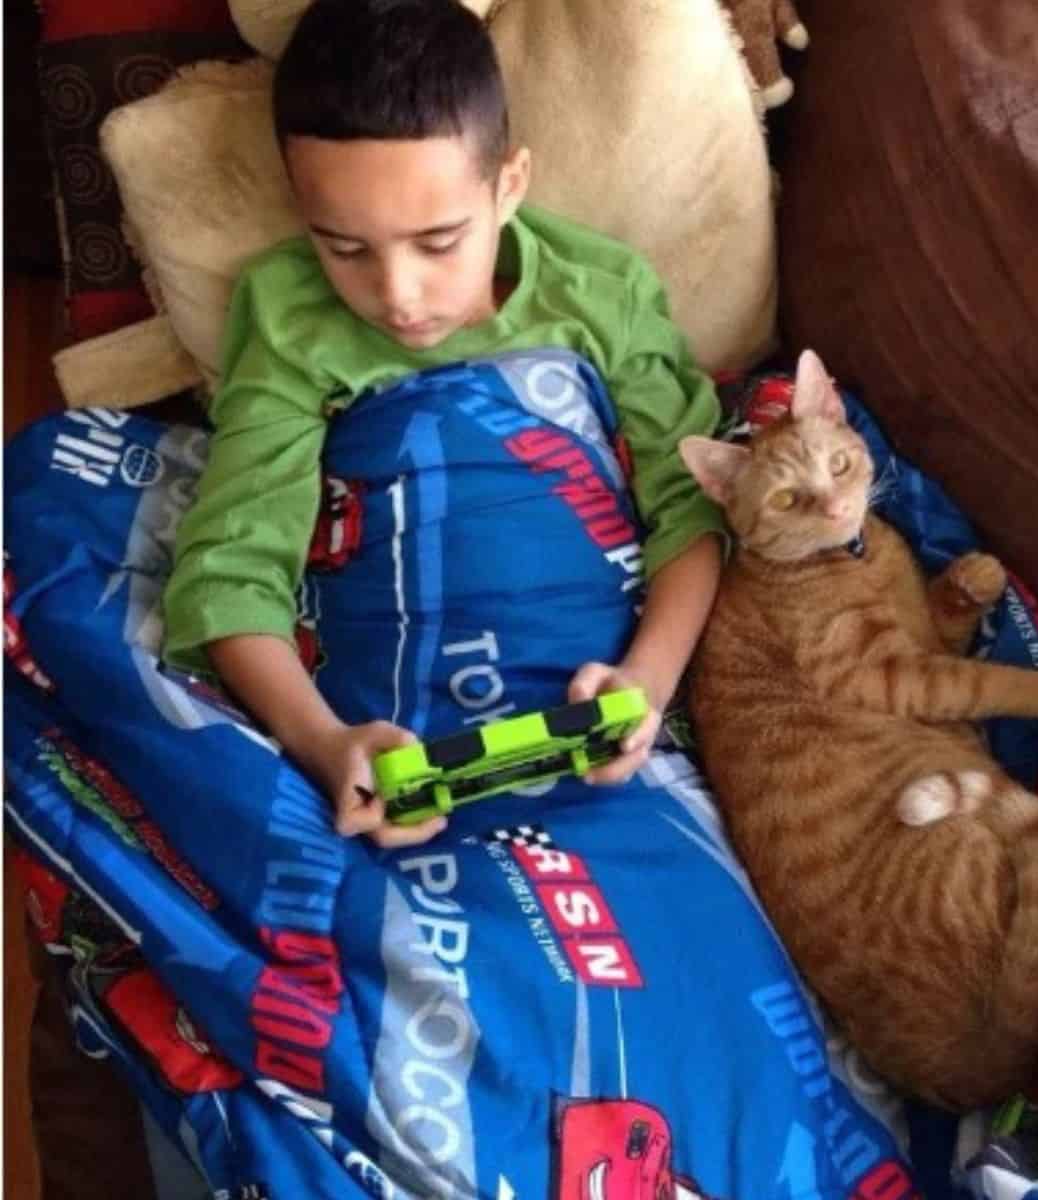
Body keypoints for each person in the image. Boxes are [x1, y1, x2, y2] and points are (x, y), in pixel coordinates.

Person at [162, 0, 724, 849]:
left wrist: (644, 682)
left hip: (597, 692)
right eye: (344, 248)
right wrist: (322, 743)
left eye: (439, 240)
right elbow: (235, 560)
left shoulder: (602, 293)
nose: (399, 295)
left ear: (509, 185)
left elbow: (691, 507)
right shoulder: (285, 314)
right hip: (392, 718)